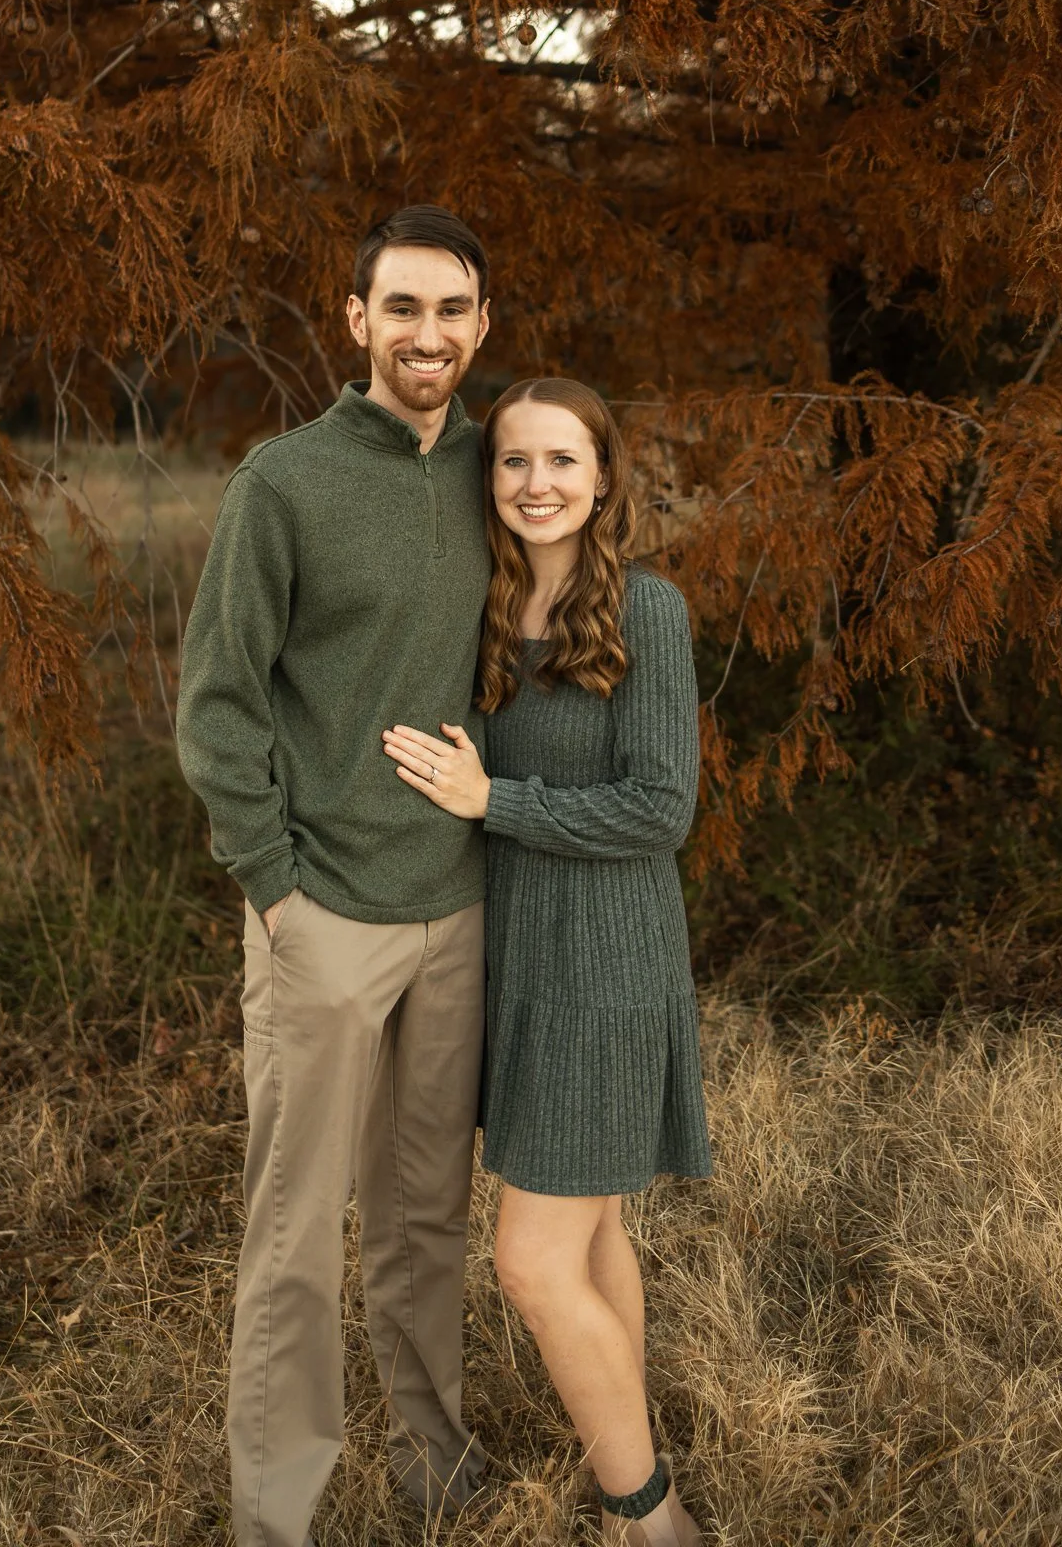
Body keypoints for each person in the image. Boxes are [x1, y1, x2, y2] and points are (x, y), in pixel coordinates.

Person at [176, 205, 493, 1547]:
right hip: (323, 917)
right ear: (357, 320)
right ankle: (278, 1516)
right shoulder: (284, 484)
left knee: (425, 1218)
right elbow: (216, 704)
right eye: (401, 307)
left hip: (458, 908)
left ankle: (436, 1467)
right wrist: (276, 891)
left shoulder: (496, 468)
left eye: (451, 310)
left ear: (481, 324)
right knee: (296, 1236)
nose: (428, 333)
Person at [383, 376, 711, 1547]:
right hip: (513, 957)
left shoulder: (646, 608)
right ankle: (630, 1441)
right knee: (591, 1231)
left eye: (563, 460)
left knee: (528, 1260)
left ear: (604, 474)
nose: (536, 483)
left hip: (606, 963)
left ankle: (650, 1515)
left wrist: (498, 800)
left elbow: (661, 806)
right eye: (513, 460)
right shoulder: (480, 603)